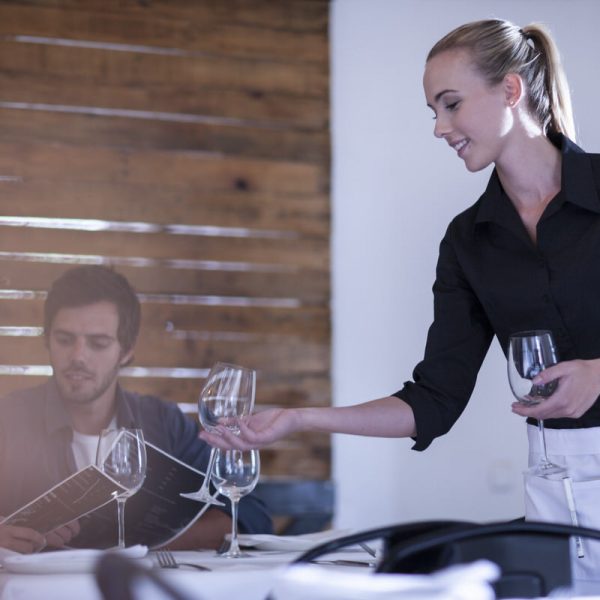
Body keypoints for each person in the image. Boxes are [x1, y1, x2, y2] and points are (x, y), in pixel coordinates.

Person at [201, 19, 600, 582]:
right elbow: (433, 400)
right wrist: (297, 419)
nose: (440, 127)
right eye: (433, 111)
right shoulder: (468, 242)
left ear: (511, 91)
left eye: (451, 104)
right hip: (554, 492)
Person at [0, 265, 272, 552]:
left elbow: (251, 515)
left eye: (98, 343)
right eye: (65, 340)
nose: (78, 356)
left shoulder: (164, 423)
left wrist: (141, 548)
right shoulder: (8, 421)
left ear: (127, 350)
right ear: (47, 340)